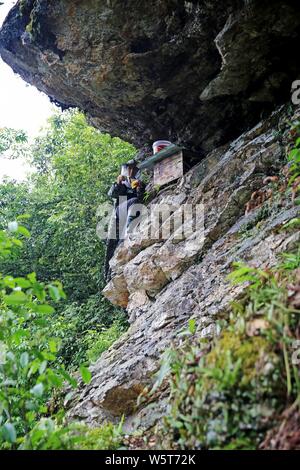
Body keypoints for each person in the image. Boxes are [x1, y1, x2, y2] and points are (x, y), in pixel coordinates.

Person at [104, 160, 145, 280]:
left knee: (119, 244)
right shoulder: (121, 183)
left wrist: (139, 188)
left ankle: (126, 238)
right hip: (119, 214)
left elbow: (140, 200)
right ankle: (108, 274)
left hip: (131, 213)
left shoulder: (138, 182)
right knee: (111, 245)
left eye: (134, 169)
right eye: (129, 168)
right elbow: (112, 194)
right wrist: (118, 183)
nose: (131, 171)